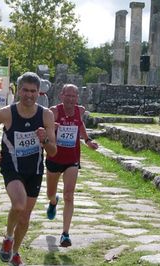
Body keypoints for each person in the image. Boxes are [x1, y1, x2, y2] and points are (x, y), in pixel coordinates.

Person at [0, 72, 57, 266]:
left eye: (33, 91)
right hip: (11, 166)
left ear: (39, 93)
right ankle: (8, 238)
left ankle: (15, 253)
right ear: (19, 91)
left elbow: (53, 151)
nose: (29, 95)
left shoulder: (46, 115)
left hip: (34, 169)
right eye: (25, 90)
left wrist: (44, 139)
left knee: (24, 218)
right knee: (18, 204)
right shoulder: (7, 112)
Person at [45, 84, 98, 247]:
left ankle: (65, 234)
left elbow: (80, 124)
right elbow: (44, 130)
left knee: (69, 194)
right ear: (61, 96)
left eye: (74, 96)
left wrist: (88, 140)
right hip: (54, 158)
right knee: (50, 193)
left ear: (77, 98)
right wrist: (53, 129)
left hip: (72, 159)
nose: (71, 99)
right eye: (68, 95)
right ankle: (53, 202)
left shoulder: (80, 110)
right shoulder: (53, 111)